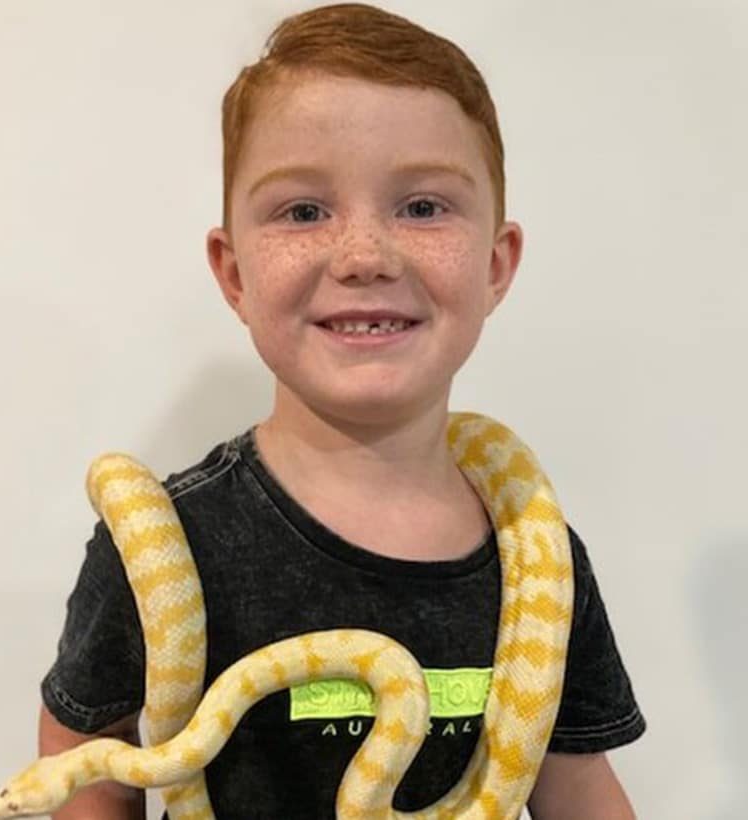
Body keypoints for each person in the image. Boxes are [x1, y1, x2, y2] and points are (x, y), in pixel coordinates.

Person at [38, 3, 646, 818]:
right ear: (234, 274)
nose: (365, 256)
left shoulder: (539, 557)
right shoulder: (163, 539)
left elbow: (578, 789)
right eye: (303, 211)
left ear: (497, 266)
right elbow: (88, 762)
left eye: (423, 207)